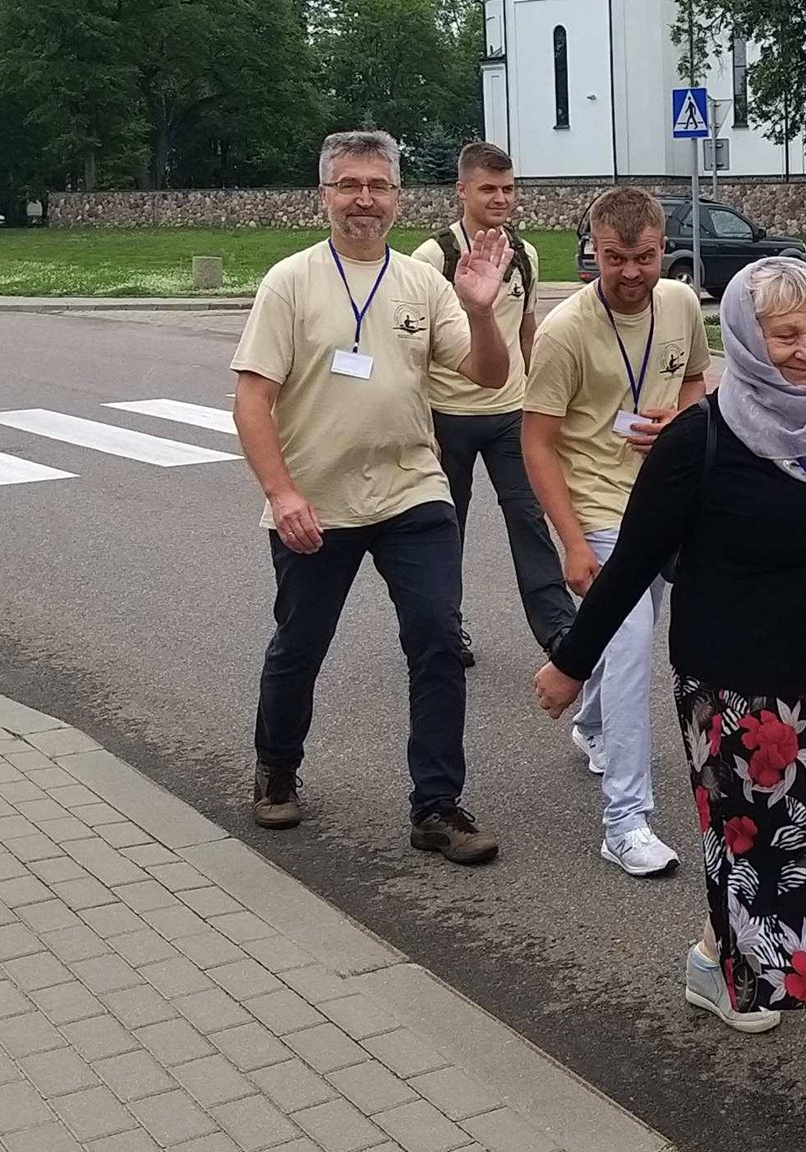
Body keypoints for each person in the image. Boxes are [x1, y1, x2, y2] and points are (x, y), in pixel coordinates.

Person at [533, 258, 806, 1151]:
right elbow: (630, 565)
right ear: (745, 338)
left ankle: (716, 961)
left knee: (763, 849)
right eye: (785, 336)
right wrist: (570, 663)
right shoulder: (698, 441)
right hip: (738, 690)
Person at [232, 129, 510, 865]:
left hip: (413, 492)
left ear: (397, 197)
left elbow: (486, 375)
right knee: (300, 646)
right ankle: (277, 766)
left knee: (437, 641)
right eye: (349, 185)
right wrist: (281, 491)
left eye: (378, 186)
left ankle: (437, 806)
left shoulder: (423, 285)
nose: (364, 199)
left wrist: (481, 311)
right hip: (315, 503)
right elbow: (253, 400)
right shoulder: (290, 282)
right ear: (324, 196)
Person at [522, 187, 708, 877]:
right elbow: (536, 443)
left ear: (665, 250)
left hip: (664, 506)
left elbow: (694, 383)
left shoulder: (683, 304)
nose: (631, 273)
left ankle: (594, 726)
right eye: (615, 258)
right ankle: (625, 820)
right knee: (629, 649)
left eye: (645, 257)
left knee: (633, 631)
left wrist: (682, 424)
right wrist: (571, 542)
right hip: (598, 513)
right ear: (593, 253)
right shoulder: (566, 330)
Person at [409, 142, 575, 665]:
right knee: (443, 529)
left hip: (510, 415)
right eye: (488, 188)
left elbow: (527, 334)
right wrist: (423, 427)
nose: (501, 198)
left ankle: (558, 630)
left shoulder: (523, 254)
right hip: (446, 417)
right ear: (462, 191)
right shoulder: (432, 258)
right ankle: (443, 628)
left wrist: (545, 407)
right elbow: (410, 349)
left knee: (529, 518)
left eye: (507, 189)